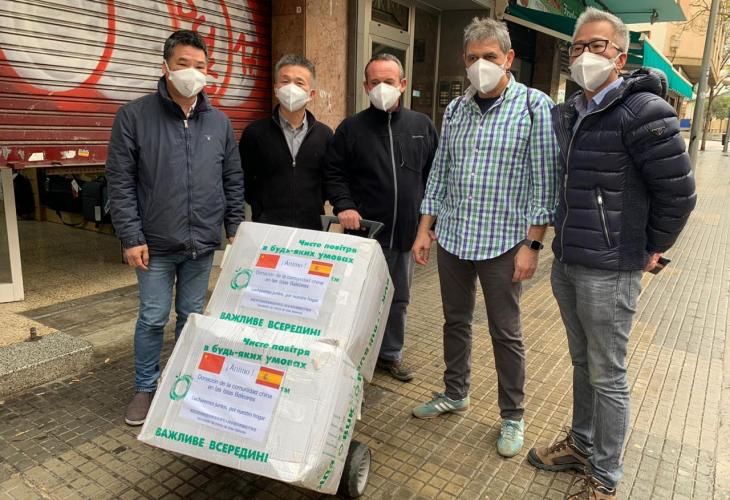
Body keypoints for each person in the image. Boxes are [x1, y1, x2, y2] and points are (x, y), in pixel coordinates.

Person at [526, 8, 696, 499]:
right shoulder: (572, 111)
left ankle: (604, 476)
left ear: (620, 57)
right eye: (577, 47)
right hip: (569, 261)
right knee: (583, 362)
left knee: (608, 373)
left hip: (610, 269)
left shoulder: (644, 111)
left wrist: (652, 247)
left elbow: (679, 194)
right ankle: (581, 445)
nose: (584, 54)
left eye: (596, 46)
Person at [411, 17, 559, 458]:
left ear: (508, 58)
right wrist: (425, 229)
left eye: (490, 57)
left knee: (505, 331)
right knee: (454, 322)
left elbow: (544, 183)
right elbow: (440, 174)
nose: (481, 65)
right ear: (464, 59)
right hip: (455, 238)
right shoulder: (456, 110)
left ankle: (513, 415)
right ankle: (455, 392)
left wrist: (533, 245)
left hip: (504, 243)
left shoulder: (534, 106)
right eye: (473, 57)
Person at [106, 29, 244, 426]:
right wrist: (131, 237)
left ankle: (182, 380)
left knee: (191, 316)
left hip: (202, 242)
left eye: (200, 66)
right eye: (183, 64)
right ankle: (145, 387)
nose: (192, 72)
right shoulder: (134, 116)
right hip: (154, 244)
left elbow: (232, 178)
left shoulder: (219, 122)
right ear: (165, 66)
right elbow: (120, 181)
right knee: (153, 317)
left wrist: (234, 227)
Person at [323, 53, 438, 382]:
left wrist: (431, 227)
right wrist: (344, 205)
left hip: (405, 234)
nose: (382, 88)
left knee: (398, 298)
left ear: (403, 84)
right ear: (365, 86)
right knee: (359, 299)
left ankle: (391, 354)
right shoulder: (351, 129)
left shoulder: (421, 127)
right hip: (365, 234)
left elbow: (436, 178)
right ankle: (356, 357)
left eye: (389, 81)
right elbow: (334, 173)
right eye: (375, 82)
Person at [239, 54, 333, 230]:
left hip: (311, 229)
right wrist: (262, 209)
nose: (291, 88)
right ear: (276, 89)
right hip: (266, 230)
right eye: (285, 81)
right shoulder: (255, 133)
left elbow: (329, 182)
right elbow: (244, 181)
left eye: (299, 83)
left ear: (311, 93)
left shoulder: (325, 135)